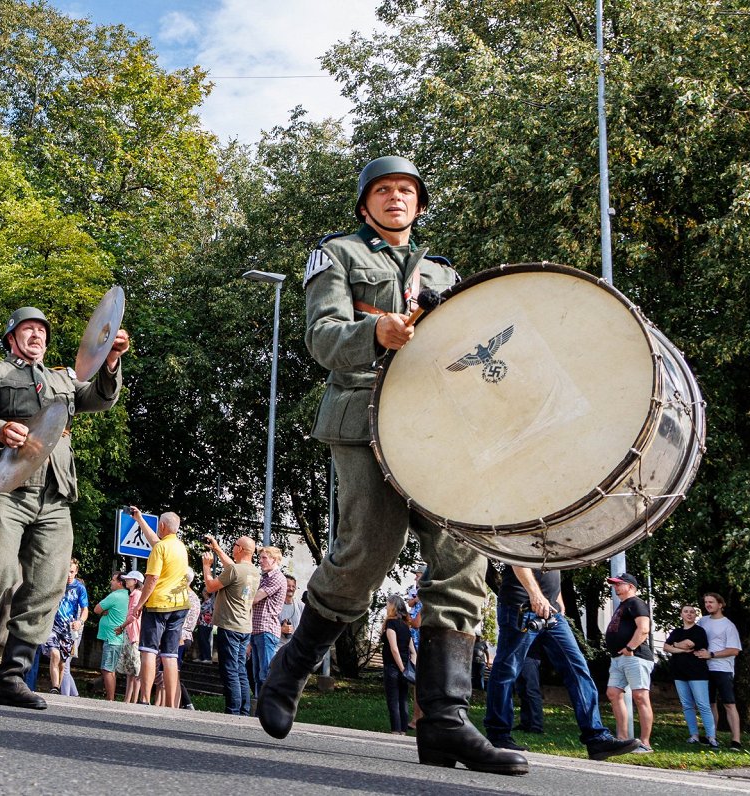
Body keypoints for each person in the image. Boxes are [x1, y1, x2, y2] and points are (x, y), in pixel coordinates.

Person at [256, 156, 527, 775]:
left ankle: (444, 722)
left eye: (406, 190)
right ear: (364, 204)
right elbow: (322, 336)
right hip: (362, 414)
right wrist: (376, 334)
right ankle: (289, 670)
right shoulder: (337, 256)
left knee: (463, 550)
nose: (395, 198)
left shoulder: (444, 272)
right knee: (364, 554)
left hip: (437, 423)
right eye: (383, 190)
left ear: (420, 204)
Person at [0, 306, 129, 710]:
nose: (37, 335)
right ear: (11, 337)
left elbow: (99, 399)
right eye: (28, 329)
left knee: (47, 582)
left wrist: (111, 361)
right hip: (4, 486)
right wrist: (0, 429)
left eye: (42, 329)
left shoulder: (63, 377)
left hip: (54, 492)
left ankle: (12, 674)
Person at [484, 566, 638, 759]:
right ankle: (498, 734)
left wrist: (559, 600)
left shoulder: (554, 539)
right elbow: (517, 562)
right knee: (507, 670)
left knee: (577, 668)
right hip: (520, 605)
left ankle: (596, 738)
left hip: (552, 611)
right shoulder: (521, 535)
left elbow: (552, 570)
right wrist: (535, 595)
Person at [124, 513, 190, 708]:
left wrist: (138, 605)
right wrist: (140, 520)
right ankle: (171, 704)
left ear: (161, 525)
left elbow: (151, 579)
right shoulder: (180, 547)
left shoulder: (160, 549)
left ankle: (145, 698)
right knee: (170, 655)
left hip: (158, 605)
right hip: (180, 605)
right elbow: (156, 540)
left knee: (149, 652)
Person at [203, 534, 259, 716]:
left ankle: (233, 710)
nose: (232, 548)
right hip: (244, 627)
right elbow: (232, 568)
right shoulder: (253, 571)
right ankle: (244, 710)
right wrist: (217, 549)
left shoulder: (235, 571)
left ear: (240, 549)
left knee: (230, 670)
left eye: (234, 545)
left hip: (230, 625)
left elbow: (211, 586)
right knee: (240, 669)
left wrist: (206, 567)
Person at [604, 573, 654, 752]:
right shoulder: (622, 606)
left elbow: (643, 628)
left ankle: (645, 743)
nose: (615, 587)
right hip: (618, 658)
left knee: (640, 697)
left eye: (619, 584)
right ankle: (622, 739)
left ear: (631, 586)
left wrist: (630, 647)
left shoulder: (636, 603)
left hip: (635, 656)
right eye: (614, 585)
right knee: (613, 693)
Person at [664, 603, 715, 747]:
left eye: (692, 612)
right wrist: (679, 648)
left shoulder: (699, 631)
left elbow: (689, 644)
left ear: (695, 615)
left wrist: (675, 645)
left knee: (703, 704)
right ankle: (694, 735)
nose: (689, 614)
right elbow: (666, 647)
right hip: (679, 673)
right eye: (686, 611)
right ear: (681, 614)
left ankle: (711, 737)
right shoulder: (676, 631)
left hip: (697, 673)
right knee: (687, 705)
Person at [697, 592, 743, 750]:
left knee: (729, 704)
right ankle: (712, 736)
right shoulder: (702, 621)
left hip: (723, 669)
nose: (708, 604)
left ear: (720, 604)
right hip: (705, 668)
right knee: (710, 704)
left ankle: (736, 740)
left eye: (711, 602)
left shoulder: (728, 625)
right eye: (706, 602)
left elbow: (734, 650)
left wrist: (711, 654)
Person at [45, 559, 89, 694]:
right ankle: (55, 687)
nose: (69, 575)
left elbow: (85, 609)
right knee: (54, 654)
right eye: (67, 572)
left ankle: (57, 687)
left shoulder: (80, 588)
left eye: (72, 572)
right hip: (53, 626)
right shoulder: (56, 584)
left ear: (76, 572)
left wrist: (80, 622)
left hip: (68, 629)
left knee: (63, 663)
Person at [250, 546, 287, 698]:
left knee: (265, 674)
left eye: (264, 558)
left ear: (274, 559)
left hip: (267, 630)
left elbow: (254, 598)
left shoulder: (277, 577)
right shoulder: (265, 577)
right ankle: (260, 707)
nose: (260, 561)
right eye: (260, 558)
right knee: (258, 675)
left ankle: (268, 708)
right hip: (258, 629)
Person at [382, 594, 415, 734]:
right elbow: (413, 651)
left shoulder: (391, 624)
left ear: (393, 607)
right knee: (403, 700)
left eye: (388, 604)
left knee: (393, 700)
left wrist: (401, 668)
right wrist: (410, 669)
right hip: (405, 667)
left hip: (393, 667)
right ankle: (403, 731)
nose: (386, 606)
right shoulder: (406, 626)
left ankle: (395, 730)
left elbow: (393, 649)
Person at [93, 573, 129, 701]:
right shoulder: (127, 595)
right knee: (110, 669)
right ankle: (110, 698)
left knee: (107, 669)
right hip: (115, 638)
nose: (111, 582)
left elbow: (97, 609)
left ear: (120, 583)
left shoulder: (115, 595)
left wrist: (103, 612)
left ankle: (110, 699)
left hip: (112, 638)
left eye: (113, 580)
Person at [115, 570, 144, 703]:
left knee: (136, 669)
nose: (126, 581)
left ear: (135, 581)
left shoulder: (137, 595)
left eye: (129, 579)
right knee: (130, 669)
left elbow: (133, 615)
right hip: (130, 634)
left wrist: (121, 627)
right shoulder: (133, 594)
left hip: (134, 636)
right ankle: (128, 699)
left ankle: (133, 699)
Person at [278, 574, 301, 648]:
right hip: (277, 648)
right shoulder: (275, 605)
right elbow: (267, 628)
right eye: (288, 586)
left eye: (293, 586)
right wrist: (281, 629)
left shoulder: (300, 606)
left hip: (294, 648)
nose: (291, 588)